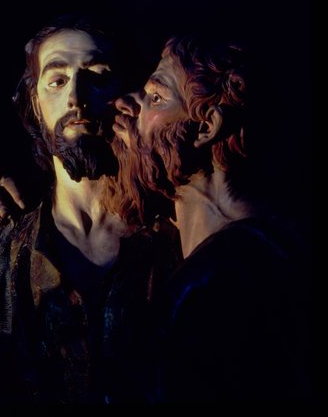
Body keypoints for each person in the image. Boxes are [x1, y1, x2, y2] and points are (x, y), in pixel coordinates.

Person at [0, 14, 179, 405]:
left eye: (98, 75)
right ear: (35, 106)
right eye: (57, 80)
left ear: (126, 94)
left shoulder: (177, 240)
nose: (76, 96)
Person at [109, 34, 313, 402]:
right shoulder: (270, 244)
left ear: (206, 127)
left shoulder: (218, 282)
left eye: (156, 97)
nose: (126, 103)